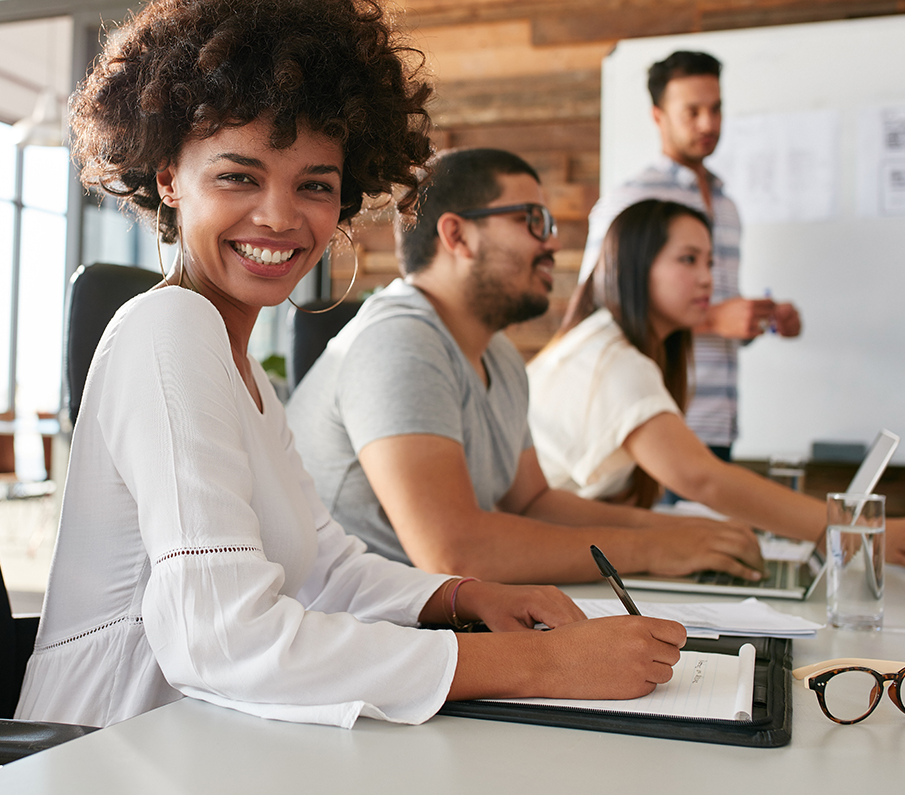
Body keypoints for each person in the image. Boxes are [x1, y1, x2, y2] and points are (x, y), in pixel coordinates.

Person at [14, 0, 686, 732]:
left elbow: (325, 565)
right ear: (169, 177)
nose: (279, 217)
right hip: (106, 752)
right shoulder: (170, 330)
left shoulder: (243, 371)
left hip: (208, 740)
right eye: (238, 176)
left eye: (314, 185)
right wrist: (545, 664)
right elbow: (222, 638)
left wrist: (461, 596)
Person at [287, 148, 763, 586]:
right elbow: (454, 553)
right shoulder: (398, 342)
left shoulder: (499, 357)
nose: (553, 241)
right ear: (458, 236)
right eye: (532, 220)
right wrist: (654, 547)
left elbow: (534, 504)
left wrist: (683, 533)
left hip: (430, 623)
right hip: (362, 639)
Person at [528, 198, 905, 562]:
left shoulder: (612, 342)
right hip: (534, 551)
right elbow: (704, 479)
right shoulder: (613, 359)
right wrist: (857, 531)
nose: (708, 279)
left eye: (710, 262)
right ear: (636, 266)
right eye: (688, 260)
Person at [578, 51, 800, 463]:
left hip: (720, 424)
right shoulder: (631, 200)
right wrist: (715, 318)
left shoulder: (727, 206)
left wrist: (758, 319)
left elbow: (703, 305)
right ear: (658, 116)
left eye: (716, 109)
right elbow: (597, 309)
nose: (709, 124)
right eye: (692, 111)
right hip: (654, 419)